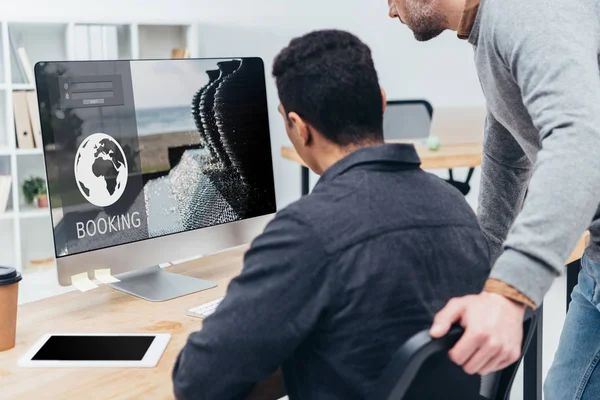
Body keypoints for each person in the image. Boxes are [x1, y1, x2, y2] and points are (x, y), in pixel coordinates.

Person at [172, 29, 490, 400]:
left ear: (299, 127)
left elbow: (196, 383)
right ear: (383, 104)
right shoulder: (457, 208)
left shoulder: (307, 232)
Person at [387, 0, 600, 397]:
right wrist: (484, 274)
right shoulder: (491, 29)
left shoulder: (523, 13)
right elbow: (506, 156)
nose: (390, 12)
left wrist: (510, 291)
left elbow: (581, 141)